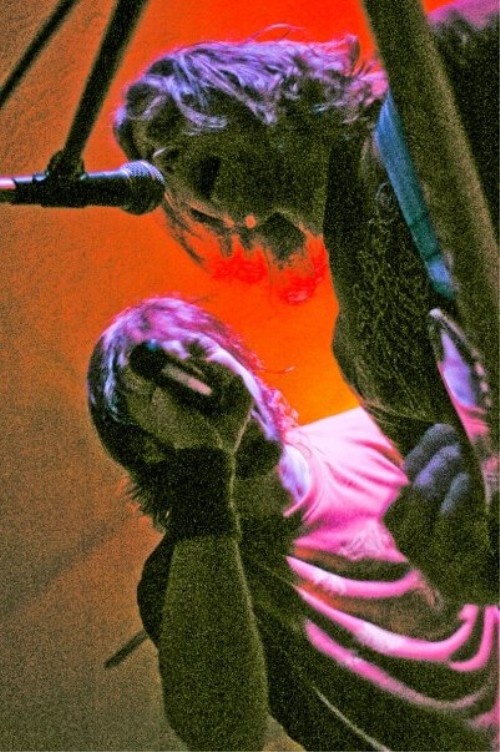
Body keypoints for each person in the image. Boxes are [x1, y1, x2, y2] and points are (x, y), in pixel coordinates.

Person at [112, 0, 499, 603]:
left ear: (251, 85)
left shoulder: (438, 71)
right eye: (153, 168)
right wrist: (465, 559)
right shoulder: (359, 358)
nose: (165, 160)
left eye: (170, 122)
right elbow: (478, 524)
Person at [87, 295, 498, 751]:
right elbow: (224, 734)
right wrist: (203, 461)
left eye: (200, 351)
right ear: (146, 449)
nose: (199, 384)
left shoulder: (377, 432)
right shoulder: (187, 578)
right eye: (165, 392)